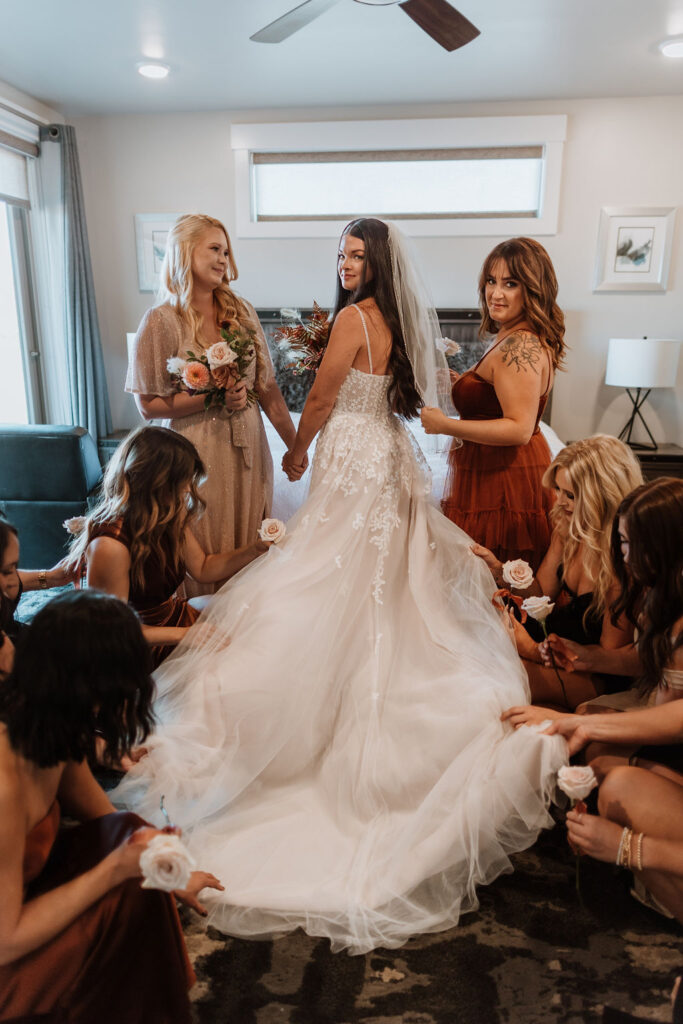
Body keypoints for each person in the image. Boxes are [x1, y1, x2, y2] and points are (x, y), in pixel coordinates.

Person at [115, 217, 567, 955]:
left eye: (356, 255)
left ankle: (307, 735)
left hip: (353, 452)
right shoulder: (389, 317)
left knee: (329, 575)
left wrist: (295, 449)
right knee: (377, 581)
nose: (345, 264)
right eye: (340, 255)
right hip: (386, 451)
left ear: (375, 263)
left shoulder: (355, 318)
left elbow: (322, 400)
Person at [0, 589, 222, 1023]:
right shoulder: (4, 781)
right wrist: (113, 870)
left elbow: (109, 821)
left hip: (23, 899)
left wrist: (169, 872)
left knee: (134, 839)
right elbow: (6, 940)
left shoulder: (52, 725)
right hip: (6, 954)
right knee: (124, 873)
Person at [126, 213, 298, 596]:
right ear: (185, 252)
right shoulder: (161, 321)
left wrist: (294, 444)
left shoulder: (243, 312)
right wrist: (211, 397)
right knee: (206, 537)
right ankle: (203, 635)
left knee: (252, 538)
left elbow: (267, 387)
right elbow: (148, 405)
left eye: (226, 251)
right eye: (214, 249)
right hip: (197, 452)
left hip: (251, 448)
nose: (223, 259)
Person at [503, 477, 683, 764]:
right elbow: (648, 658)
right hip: (650, 699)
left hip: (660, 715)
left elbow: (672, 713)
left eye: (632, 544)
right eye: (622, 542)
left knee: (600, 762)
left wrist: (573, 721)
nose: (625, 556)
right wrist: (585, 656)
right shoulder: (655, 587)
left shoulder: (626, 580)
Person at [66, 425, 269, 667]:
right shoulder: (110, 545)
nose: (186, 490)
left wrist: (255, 550)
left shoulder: (167, 514)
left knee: (254, 615)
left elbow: (203, 568)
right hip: (136, 645)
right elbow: (111, 630)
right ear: (152, 482)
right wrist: (184, 635)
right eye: (180, 483)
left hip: (173, 619)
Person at [421, 237, 566, 570]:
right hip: (491, 467)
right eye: (491, 281)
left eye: (510, 283)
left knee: (491, 578)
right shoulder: (510, 335)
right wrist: (463, 385)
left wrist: (446, 425)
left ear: (533, 289)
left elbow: (518, 428)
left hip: (505, 477)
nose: (495, 293)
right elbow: (498, 399)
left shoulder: (521, 345)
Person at [473, 436, 643, 709]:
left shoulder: (621, 560)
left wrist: (529, 649)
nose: (559, 502)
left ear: (602, 496)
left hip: (595, 674)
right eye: (558, 490)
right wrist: (499, 570)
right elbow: (540, 594)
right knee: (474, 647)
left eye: (571, 495)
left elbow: (608, 657)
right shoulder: (568, 531)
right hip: (554, 648)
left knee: (496, 680)